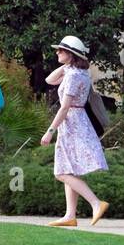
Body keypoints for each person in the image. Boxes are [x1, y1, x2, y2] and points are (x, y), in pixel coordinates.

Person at [40, 36, 109, 228]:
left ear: (70, 54)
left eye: (61, 50)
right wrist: (67, 64)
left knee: (61, 172)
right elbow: (49, 79)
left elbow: (64, 107)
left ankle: (96, 203)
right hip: (76, 122)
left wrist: (49, 131)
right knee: (69, 169)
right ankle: (70, 215)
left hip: (72, 123)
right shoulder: (78, 72)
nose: (57, 53)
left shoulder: (73, 76)